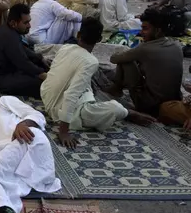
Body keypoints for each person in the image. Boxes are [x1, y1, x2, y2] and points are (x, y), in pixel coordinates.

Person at [41, 18, 155, 148]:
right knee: (115, 108)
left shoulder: (66, 48)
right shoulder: (91, 61)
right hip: (58, 111)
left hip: (47, 97)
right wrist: (63, 132)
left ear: (78, 35)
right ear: (99, 39)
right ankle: (129, 113)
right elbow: (71, 95)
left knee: (86, 85)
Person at [107, 10, 183, 117]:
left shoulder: (145, 49)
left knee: (126, 62)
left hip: (150, 107)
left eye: (145, 29)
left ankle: (117, 88)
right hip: (174, 102)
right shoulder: (177, 44)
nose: (141, 32)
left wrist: (125, 53)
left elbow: (114, 59)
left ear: (158, 30)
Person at [0, 4, 49, 99]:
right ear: (13, 23)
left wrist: (40, 58)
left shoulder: (9, 30)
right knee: (41, 83)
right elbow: (22, 62)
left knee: (38, 63)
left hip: (6, 71)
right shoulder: (8, 36)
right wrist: (42, 74)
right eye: (25, 23)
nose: (29, 26)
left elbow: (22, 49)